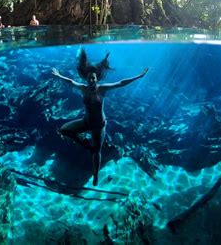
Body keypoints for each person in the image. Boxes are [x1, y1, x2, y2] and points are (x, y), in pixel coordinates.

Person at [51, 48, 148, 186]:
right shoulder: (83, 88)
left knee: (96, 152)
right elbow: (71, 82)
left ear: (97, 78)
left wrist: (138, 76)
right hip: (86, 122)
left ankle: (95, 175)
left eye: (93, 78)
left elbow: (120, 83)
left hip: (98, 126)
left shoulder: (102, 89)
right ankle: (85, 143)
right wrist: (59, 75)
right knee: (64, 130)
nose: (91, 80)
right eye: (89, 78)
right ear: (87, 78)